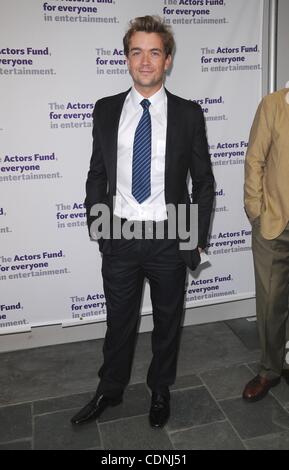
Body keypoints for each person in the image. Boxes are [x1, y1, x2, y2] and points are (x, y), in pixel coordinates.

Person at [71, 15, 214, 428]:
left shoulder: (188, 114)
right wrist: (101, 230)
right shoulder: (106, 109)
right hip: (120, 235)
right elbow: (97, 174)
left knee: (168, 321)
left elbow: (204, 183)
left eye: (155, 52)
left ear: (167, 60)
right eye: (137, 52)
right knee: (119, 321)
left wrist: (194, 239)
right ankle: (109, 390)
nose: (145, 61)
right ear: (127, 58)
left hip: (170, 236)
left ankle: (160, 389)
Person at [243, 87, 289, 402]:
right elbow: (255, 159)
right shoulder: (274, 105)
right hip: (276, 224)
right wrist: (257, 211)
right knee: (272, 303)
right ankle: (270, 370)